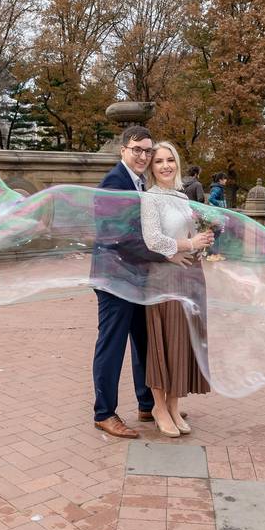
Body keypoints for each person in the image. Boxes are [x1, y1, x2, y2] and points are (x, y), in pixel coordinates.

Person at [90, 125, 168, 439]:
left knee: (143, 342)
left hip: (135, 278)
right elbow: (119, 237)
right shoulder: (114, 181)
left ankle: (147, 403)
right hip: (114, 279)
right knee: (112, 345)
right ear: (124, 150)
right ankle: (104, 413)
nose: (143, 156)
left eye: (147, 150)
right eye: (137, 150)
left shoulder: (140, 183)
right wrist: (168, 253)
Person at [141, 142, 214, 437]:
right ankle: (159, 407)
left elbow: (189, 234)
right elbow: (152, 239)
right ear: (152, 167)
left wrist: (203, 240)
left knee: (183, 341)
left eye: (170, 160)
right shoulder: (150, 198)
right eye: (158, 161)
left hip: (191, 275)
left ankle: (173, 405)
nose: (165, 166)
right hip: (164, 278)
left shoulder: (183, 197)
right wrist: (187, 245)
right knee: (165, 342)